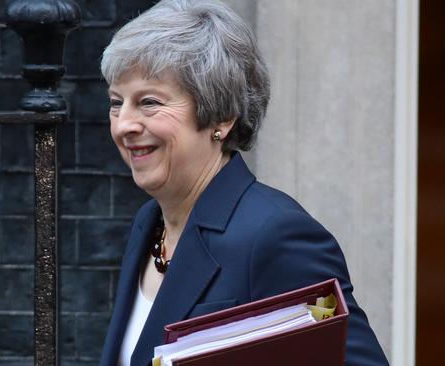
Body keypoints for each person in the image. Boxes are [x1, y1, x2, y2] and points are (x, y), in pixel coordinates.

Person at [98, 1, 388, 364]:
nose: (124, 124)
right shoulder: (149, 222)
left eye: (149, 102)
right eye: (116, 103)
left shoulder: (275, 234)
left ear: (221, 115)